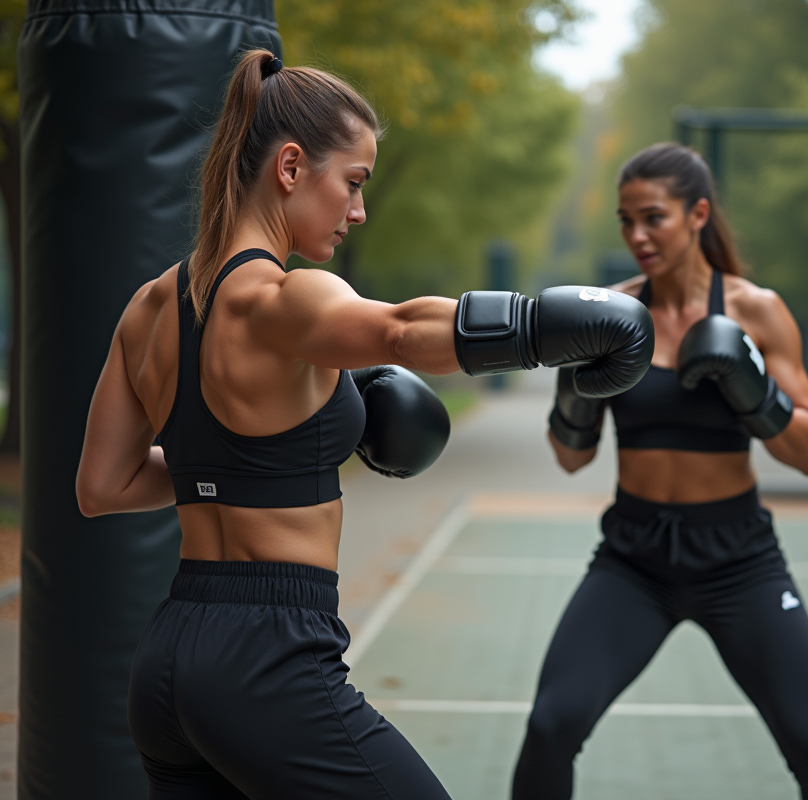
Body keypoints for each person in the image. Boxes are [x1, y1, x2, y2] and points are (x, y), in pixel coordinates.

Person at [74, 50, 654, 799]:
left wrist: (229, 469)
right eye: (352, 182)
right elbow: (404, 332)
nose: (358, 210)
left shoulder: (149, 307)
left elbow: (103, 485)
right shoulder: (283, 299)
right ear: (290, 168)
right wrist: (554, 326)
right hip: (268, 658)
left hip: (168, 662)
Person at [512, 142, 808, 799]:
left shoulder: (755, 311)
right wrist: (573, 393)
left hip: (739, 560)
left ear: (698, 213)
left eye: (653, 218)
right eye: (625, 221)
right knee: (551, 725)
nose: (636, 236)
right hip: (634, 559)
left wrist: (753, 389)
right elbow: (570, 459)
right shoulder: (611, 316)